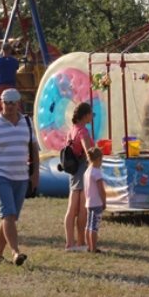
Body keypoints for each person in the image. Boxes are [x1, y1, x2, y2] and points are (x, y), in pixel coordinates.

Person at [0, 88, 39, 266]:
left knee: (10, 218)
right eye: (7, 102)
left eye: (13, 102)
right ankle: (16, 252)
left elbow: (34, 150)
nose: (10, 106)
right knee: (8, 213)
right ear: (1, 103)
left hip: (21, 176)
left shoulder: (27, 123)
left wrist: (35, 173)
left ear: (18, 103)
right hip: (0, 175)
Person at [64, 102, 94, 252]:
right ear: (86, 115)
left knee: (71, 209)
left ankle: (70, 242)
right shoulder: (83, 131)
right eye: (91, 114)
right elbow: (88, 151)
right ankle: (81, 241)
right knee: (82, 209)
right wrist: (94, 162)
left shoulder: (72, 130)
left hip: (73, 171)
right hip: (82, 169)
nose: (92, 117)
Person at [83, 147, 106, 253]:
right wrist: (104, 201)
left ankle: (88, 246)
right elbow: (101, 189)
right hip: (97, 203)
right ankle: (93, 248)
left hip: (89, 202)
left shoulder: (87, 171)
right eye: (101, 160)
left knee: (88, 225)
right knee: (94, 227)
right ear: (98, 159)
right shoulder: (97, 172)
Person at [0, 44, 20, 113]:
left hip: (1, 85)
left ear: (2, 50)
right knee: (13, 102)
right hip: (11, 85)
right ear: (10, 50)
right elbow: (17, 67)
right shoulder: (14, 61)